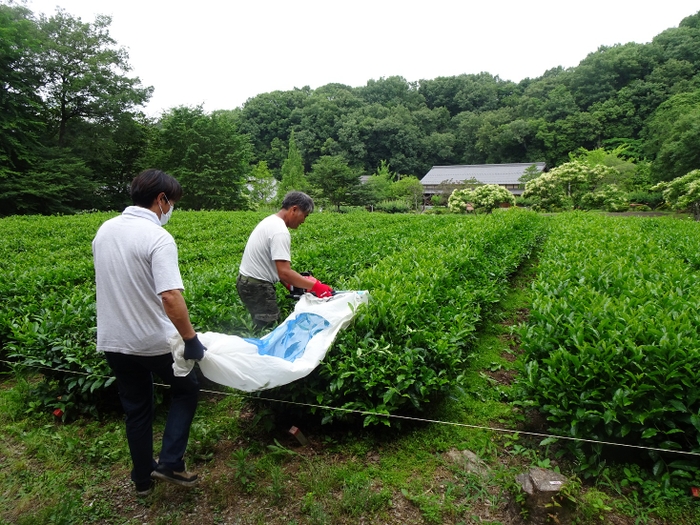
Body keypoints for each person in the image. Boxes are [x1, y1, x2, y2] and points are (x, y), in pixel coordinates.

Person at [92, 169, 207, 496]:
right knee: (187, 389)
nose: (172, 210)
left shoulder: (105, 230)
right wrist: (190, 340)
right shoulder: (157, 237)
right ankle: (170, 462)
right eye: (173, 203)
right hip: (153, 341)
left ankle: (142, 480)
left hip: (114, 340)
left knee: (137, 408)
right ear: (161, 200)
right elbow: (170, 296)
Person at [237, 191, 333, 328]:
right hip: (257, 287)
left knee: (262, 326)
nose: (304, 221)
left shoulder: (271, 221)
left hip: (248, 283)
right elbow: (285, 272)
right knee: (268, 329)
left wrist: (294, 284)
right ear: (294, 209)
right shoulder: (280, 231)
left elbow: (274, 266)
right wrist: (317, 287)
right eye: (304, 215)